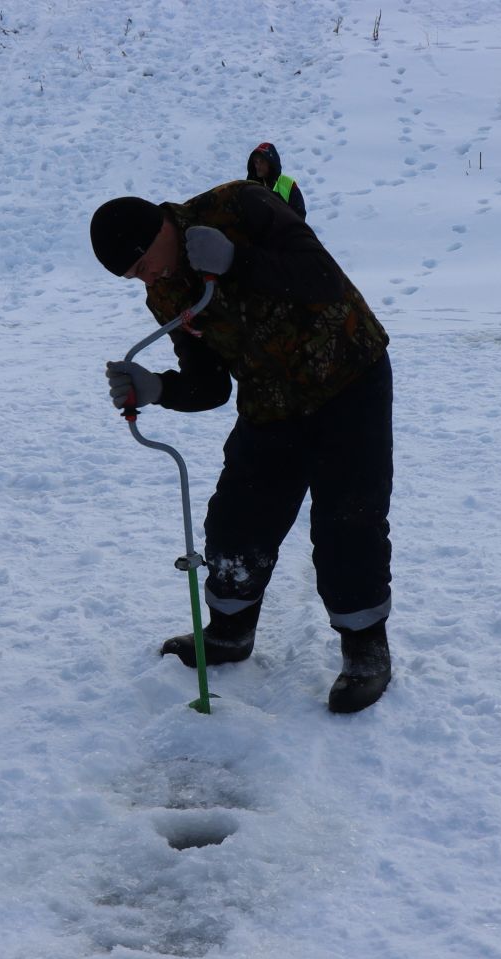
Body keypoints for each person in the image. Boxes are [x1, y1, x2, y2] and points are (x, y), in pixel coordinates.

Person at [90, 184, 394, 713]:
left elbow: (321, 279)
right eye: (133, 277)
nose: (147, 278)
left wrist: (237, 260)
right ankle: (230, 632)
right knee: (237, 519)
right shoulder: (165, 294)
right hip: (270, 402)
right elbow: (210, 386)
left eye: (143, 264)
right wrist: (158, 388)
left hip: (348, 377)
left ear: (159, 230)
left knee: (349, 519)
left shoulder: (238, 207)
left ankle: (365, 648)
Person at [246, 142, 306, 220]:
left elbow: (300, 216)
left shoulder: (289, 184)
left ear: (271, 163)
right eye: (256, 162)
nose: (258, 166)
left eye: (262, 161)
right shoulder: (250, 186)